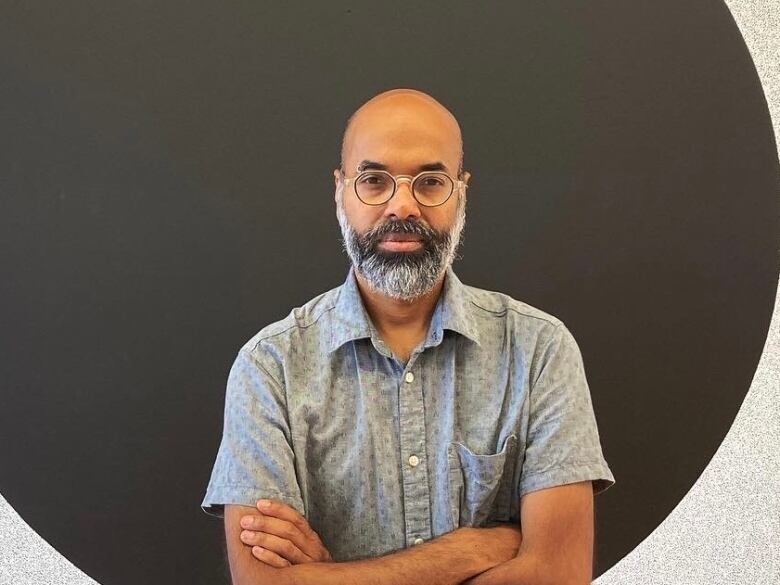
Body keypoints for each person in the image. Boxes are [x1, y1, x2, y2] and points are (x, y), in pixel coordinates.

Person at [201, 88, 615, 585]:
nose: (402, 206)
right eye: (374, 181)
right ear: (340, 191)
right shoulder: (270, 367)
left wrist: (330, 576)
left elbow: (558, 576)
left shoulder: (540, 351)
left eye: (430, 182)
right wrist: (470, 550)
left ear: (461, 192)